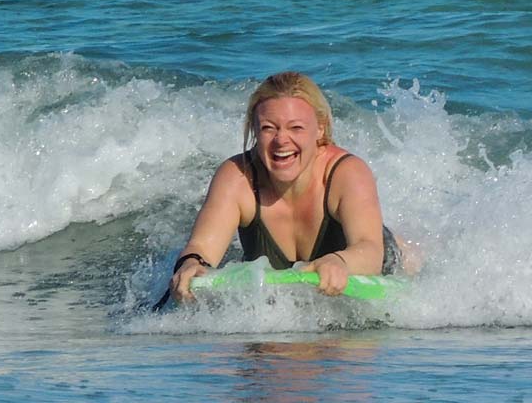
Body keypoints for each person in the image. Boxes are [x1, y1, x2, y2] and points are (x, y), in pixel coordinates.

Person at [166, 71, 405, 303]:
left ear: (320, 129)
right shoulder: (237, 177)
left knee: (408, 259)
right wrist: (191, 265)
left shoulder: (347, 172)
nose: (281, 140)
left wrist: (339, 262)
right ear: (255, 131)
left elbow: (371, 252)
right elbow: (201, 248)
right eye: (269, 128)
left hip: (374, 255)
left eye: (296, 128)